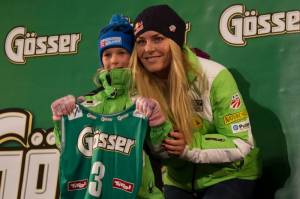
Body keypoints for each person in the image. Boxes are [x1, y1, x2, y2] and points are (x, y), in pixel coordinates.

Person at [131, 4, 262, 199]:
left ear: (175, 43)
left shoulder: (214, 76)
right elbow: (161, 153)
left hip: (229, 174)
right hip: (178, 180)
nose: (148, 49)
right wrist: (162, 136)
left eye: (158, 39)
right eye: (141, 41)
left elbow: (242, 144)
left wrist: (189, 146)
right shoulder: (138, 88)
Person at [51, 14, 165, 199]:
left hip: (142, 193)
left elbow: (162, 148)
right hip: (95, 192)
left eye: (122, 52)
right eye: (107, 54)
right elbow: (66, 147)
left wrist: (158, 120)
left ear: (133, 55)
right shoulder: (88, 101)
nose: (114, 60)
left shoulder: (148, 97)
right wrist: (60, 120)